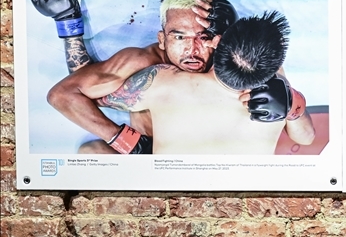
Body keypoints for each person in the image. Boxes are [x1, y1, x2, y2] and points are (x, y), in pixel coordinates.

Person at [34, 0, 238, 154]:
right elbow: (70, 92)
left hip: (213, 160)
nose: (192, 48)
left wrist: (234, 33)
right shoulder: (142, 64)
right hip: (157, 159)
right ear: (162, 39)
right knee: (92, 152)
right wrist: (128, 143)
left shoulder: (230, 59)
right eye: (179, 37)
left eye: (203, 37)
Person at [97, 12, 315, 154]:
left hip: (169, 193)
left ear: (216, 42)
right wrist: (293, 106)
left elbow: (92, 93)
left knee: (91, 151)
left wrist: (70, 24)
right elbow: (306, 138)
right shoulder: (277, 80)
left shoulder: (163, 82)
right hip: (238, 200)